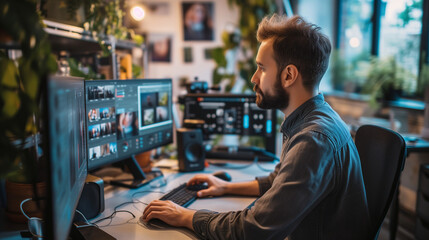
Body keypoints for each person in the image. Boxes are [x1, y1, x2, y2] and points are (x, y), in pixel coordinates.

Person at [142, 14, 370, 239]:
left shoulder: (313, 140)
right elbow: (279, 181)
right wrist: (226, 187)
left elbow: (252, 230)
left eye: (262, 68)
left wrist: (185, 216)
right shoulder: (314, 118)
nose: (253, 77)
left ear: (289, 75)